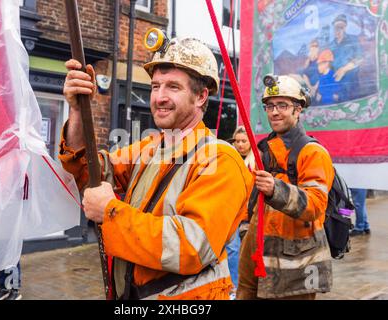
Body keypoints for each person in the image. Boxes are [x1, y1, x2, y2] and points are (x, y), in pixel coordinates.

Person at [59, 36, 253, 300]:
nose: (159, 97)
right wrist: (78, 111)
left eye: (173, 87)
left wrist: (110, 211)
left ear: (201, 96)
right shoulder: (151, 148)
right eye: (155, 86)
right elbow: (88, 169)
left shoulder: (221, 160)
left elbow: (191, 247)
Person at [237, 74, 335, 300]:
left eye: (283, 105)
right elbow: (251, 198)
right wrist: (245, 230)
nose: (274, 112)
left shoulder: (313, 153)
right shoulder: (263, 149)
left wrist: (276, 189)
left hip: (297, 266)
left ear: (298, 110)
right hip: (255, 255)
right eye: (270, 105)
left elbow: (315, 205)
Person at [225, 126, 256, 299]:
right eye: (237, 141)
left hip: (250, 213)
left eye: (244, 141)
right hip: (233, 210)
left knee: (238, 249)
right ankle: (233, 287)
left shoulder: (256, 161)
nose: (240, 144)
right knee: (232, 248)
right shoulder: (231, 158)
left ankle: (237, 287)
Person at [329, 14, 363, 101]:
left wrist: (343, 70)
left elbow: (360, 58)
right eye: (336, 27)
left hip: (351, 82)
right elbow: (329, 64)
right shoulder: (331, 45)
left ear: (345, 27)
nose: (338, 29)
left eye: (341, 27)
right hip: (336, 82)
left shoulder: (353, 40)